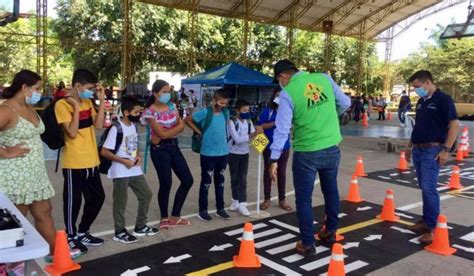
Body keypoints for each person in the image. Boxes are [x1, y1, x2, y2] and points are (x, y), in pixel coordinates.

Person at [269, 60, 351, 257]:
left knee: (304, 199)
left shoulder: (288, 93)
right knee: (331, 191)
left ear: (282, 77)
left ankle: (307, 243)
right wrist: (328, 117)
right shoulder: (324, 78)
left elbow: (282, 129)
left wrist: (274, 158)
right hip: (332, 147)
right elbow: (345, 103)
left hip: (306, 153)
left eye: (279, 81)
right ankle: (330, 232)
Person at [0, 70, 81, 261]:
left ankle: (56, 252)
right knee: (16, 221)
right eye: (37, 88)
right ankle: (13, 263)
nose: (39, 92)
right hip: (16, 176)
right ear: (24, 87)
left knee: (44, 212)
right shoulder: (6, 110)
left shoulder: (28, 108)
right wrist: (5, 152)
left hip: (35, 173)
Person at [55, 69, 106, 253]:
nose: (91, 91)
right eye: (89, 88)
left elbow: (99, 125)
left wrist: (100, 102)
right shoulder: (62, 105)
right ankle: (70, 235)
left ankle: (83, 231)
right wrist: (76, 108)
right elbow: (72, 132)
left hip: (92, 160)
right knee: (73, 201)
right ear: (78, 86)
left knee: (98, 198)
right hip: (74, 162)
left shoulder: (88, 102)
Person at [405, 70, 459, 243]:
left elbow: (454, 124)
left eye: (417, 87)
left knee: (429, 188)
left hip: (432, 150)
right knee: (424, 186)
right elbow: (418, 126)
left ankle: (432, 228)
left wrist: (446, 150)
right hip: (418, 149)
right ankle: (426, 221)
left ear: (428, 82)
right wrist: (409, 146)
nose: (416, 91)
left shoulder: (443, 100)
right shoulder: (421, 102)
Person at [100, 96, 158, 243]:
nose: (139, 115)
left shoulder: (133, 126)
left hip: (133, 169)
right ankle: (119, 231)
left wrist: (137, 155)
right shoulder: (116, 128)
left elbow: (133, 144)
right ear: (126, 112)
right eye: (136, 112)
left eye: (140, 111)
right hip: (120, 170)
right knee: (120, 202)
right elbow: (105, 152)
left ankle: (140, 226)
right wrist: (123, 161)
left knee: (146, 194)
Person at [143, 80, 194, 229]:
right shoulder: (150, 112)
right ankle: (164, 217)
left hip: (173, 146)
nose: (167, 94)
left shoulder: (172, 107)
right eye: (164, 92)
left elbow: (181, 126)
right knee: (166, 183)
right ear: (155, 93)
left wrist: (167, 132)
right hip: (159, 150)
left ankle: (175, 216)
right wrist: (173, 129)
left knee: (187, 180)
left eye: (169, 91)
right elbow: (162, 135)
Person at [185, 89, 231, 221]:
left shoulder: (225, 113)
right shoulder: (205, 112)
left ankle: (220, 208)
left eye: (225, 103)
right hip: (208, 154)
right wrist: (199, 132)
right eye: (221, 103)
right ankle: (203, 210)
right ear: (214, 101)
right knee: (206, 182)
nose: (223, 106)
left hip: (223, 153)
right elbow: (187, 120)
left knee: (220, 181)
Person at [258, 88, 292, 212]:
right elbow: (260, 126)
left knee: (281, 172)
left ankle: (282, 199)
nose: (280, 98)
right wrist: (275, 122)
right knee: (268, 171)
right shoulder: (269, 111)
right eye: (277, 95)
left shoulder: (289, 111)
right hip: (269, 146)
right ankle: (267, 199)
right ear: (274, 97)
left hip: (284, 147)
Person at [227, 99, 259, 217]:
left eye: (248, 110)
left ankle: (243, 203)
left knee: (242, 178)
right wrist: (252, 135)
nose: (247, 112)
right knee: (234, 177)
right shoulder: (232, 122)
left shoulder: (248, 121)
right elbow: (237, 139)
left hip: (245, 153)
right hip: (233, 154)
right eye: (244, 110)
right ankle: (235, 200)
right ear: (237, 110)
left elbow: (254, 134)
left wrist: (257, 133)